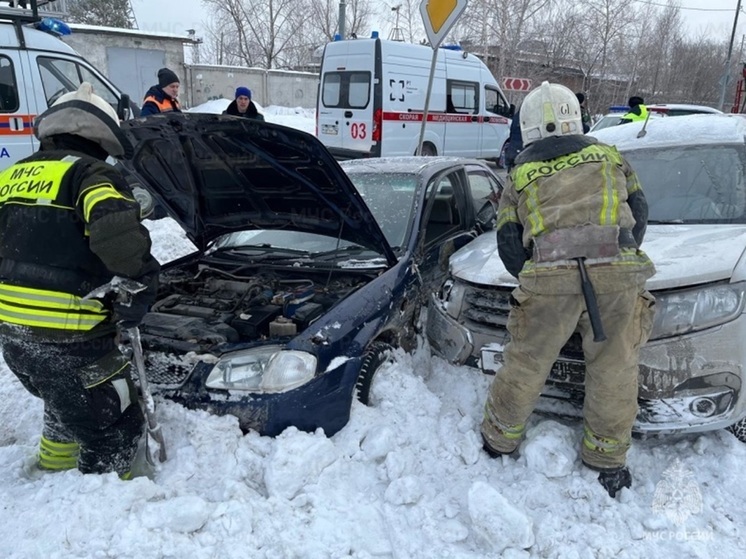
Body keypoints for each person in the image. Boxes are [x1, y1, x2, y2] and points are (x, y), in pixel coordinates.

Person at [480, 81, 656, 498]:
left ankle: (498, 440)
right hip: (617, 275)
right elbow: (641, 211)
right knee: (615, 368)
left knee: (525, 362)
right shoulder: (611, 156)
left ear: (527, 129)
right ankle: (606, 460)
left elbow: (508, 245)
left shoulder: (519, 175)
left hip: (549, 277)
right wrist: (615, 255)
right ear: (576, 117)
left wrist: (541, 276)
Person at [0, 82, 160, 477]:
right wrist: (144, 279)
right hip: (71, 337)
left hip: (14, 335)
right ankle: (108, 495)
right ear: (99, 137)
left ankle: (54, 469)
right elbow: (118, 243)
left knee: (63, 400)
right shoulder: (91, 174)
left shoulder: (13, 175)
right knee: (113, 420)